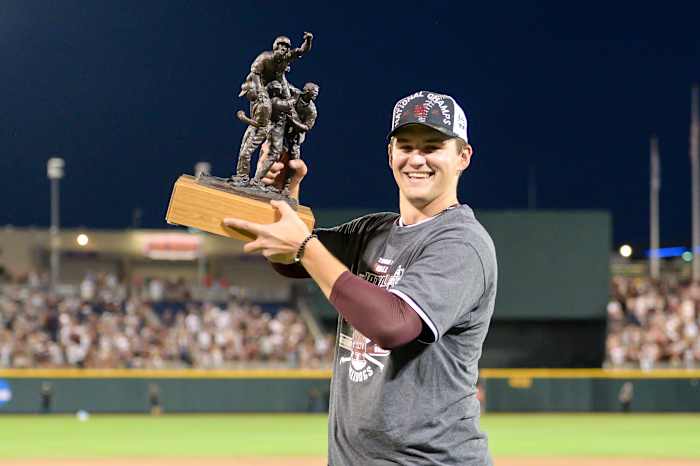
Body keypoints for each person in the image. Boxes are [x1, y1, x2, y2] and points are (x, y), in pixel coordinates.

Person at [224, 91, 497, 465]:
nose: (417, 159)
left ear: (462, 157)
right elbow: (289, 261)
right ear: (390, 154)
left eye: (433, 147)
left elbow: (393, 324)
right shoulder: (372, 230)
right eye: (406, 146)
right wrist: (284, 202)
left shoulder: (463, 243)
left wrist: (305, 244)